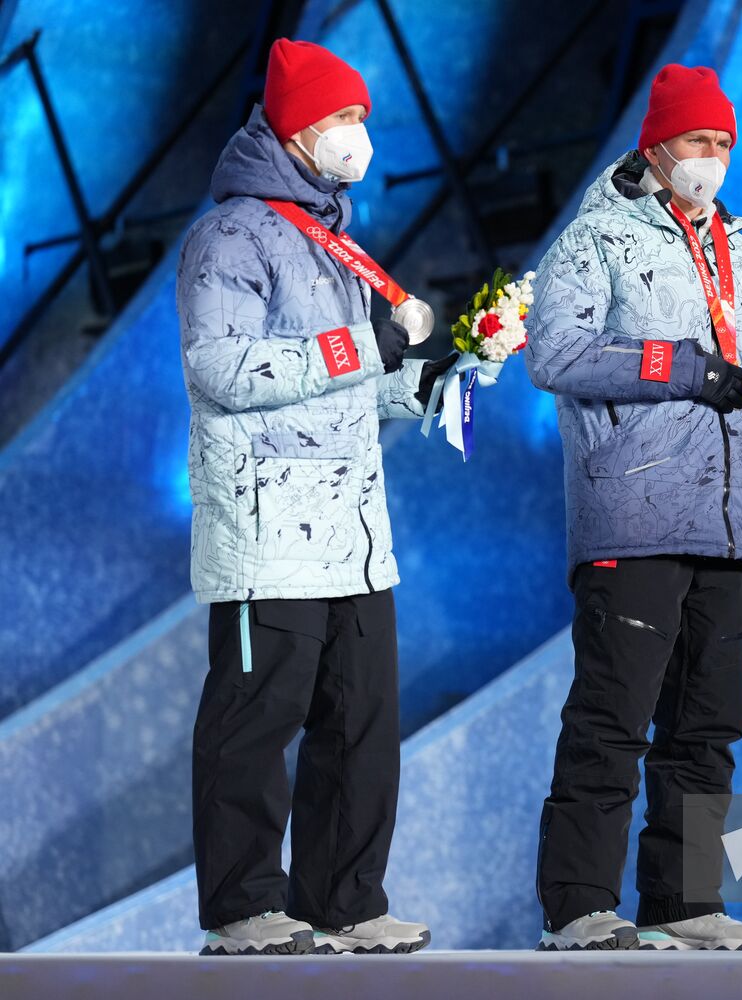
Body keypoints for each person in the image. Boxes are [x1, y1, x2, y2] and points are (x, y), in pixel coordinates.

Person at [525, 64, 742, 952]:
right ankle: (578, 908)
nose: (711, 160)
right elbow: (555, 352)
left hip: (734, 519)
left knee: (707, 726)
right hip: (634, 508)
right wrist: (680, 367)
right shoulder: (595, 241)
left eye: (723, 144)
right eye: (697, 142)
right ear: (656, 144)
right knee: (613, 718)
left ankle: (683, 904)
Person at [178, 38, 449, 956]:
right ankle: (242, 910)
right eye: (341, 119)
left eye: (362, 120)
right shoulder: (232, 235)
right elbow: (221, 368)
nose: (355, 136)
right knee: (258, 722)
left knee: (360, 725)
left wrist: (425, 378)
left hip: (353, 530)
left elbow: (346, 383)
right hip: (267, 526)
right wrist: (357, 348)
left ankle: (343, 900)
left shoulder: (334, 243)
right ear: (296, 127)